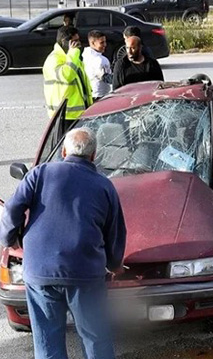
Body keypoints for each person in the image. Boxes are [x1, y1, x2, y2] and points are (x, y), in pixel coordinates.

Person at [0, 128, 126, 359]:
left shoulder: (40, 173)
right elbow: (115, 232)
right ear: (93, 155)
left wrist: (9, 239)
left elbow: (11, 210)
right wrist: (114, 263)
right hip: (85, 274)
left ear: (64, 150)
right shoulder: (104, 186)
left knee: (48, 342)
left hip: (40, 272)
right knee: (96, 339)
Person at [42, 26, 93, 125]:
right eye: (74, 41)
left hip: (79, 113)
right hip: (64, 116)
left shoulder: (71, 56)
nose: (78, 44)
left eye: (78, 40)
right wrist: (73, 52)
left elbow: (82, 83)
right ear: (64, 41)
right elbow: (67, 76)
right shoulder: (54, 59)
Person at [82, 30, 113, 99]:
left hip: (92, 93)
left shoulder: (86, 56)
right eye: (102, 43)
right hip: (102, 95)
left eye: (105, 42)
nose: (105, 45)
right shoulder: (100, 60)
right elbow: (106, 78)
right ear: (93, 43)